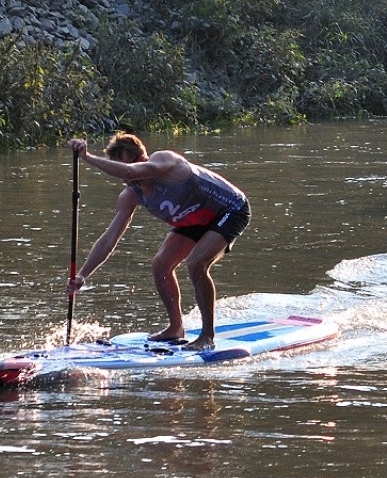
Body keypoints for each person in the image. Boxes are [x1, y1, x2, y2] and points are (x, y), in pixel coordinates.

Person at [67, 134, 252, 351]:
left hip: (230, 209)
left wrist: (86, 156)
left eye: (125, 166)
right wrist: (82, 275)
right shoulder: (130, 196)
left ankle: (207, 336)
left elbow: (129, 171)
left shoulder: (165, 161)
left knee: (196, 263)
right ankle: (176, 328)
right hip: (195, 219)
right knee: (161, 264)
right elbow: (109, 239)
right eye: (118, 168)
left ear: (143, 159)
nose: (125, 178)